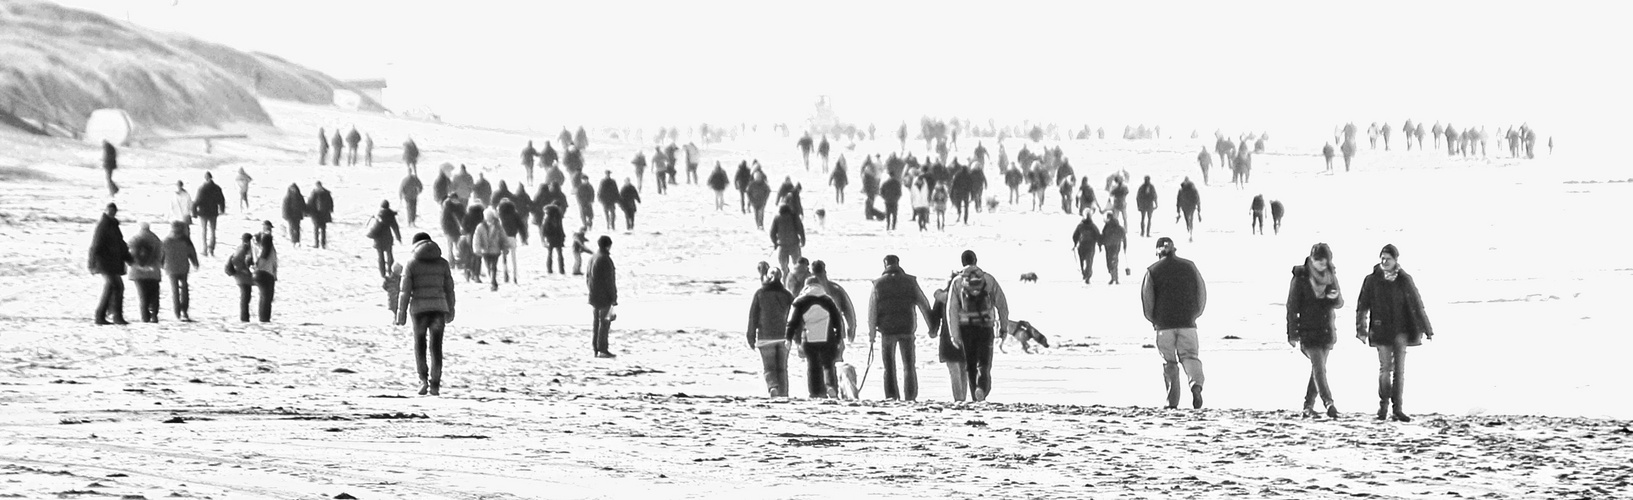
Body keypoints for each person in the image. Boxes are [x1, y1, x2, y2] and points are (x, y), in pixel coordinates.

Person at [1355, 244, 1434, 422]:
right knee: (1385, 369)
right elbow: (1362, 306)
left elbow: (1416, 304)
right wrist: (1361, 329)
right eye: (1382, 258)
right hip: (1380, 329)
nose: (1384, 261)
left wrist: (1427, 328)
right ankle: (1383, 407)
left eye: (1388, 258)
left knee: (1399, 371)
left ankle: (1397, 408)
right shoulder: (1371, 280)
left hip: (1401, 330)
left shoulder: (1404, 280)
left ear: (1395, 260)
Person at [1141, 237, 1208, 409]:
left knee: (1169, 362)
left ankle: (1172, 402)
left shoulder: (1152, 271)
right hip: (1188, 323)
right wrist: (1195, 314)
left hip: (1164, 325)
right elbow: (1201, 293)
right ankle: (1196, 386)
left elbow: (1147, 300)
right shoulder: (1190, 266)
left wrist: (1153, 319)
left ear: (1158, 252)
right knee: (1190, 357)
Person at [1288, 243, 1344, 419]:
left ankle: (1307, 406)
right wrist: (1292, 333)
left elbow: (1340, 302)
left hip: (1326, 330)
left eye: (1324, 261)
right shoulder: (1301, 277)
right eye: (1318, 260)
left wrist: (1332, 299)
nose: (1321, 264)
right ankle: (1329, 403)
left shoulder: (1331, 276)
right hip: (1307, 331)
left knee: (1317, 370)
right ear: (1311, 259)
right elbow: (1292, 306)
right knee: (1319, 368)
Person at [397, 233, 457, 396]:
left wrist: (400, 313)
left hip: (419, 310)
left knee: (420, 345)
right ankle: (435, 384)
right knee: (436, 347)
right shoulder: (443, 263)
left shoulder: (411, 263)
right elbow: (449, 289)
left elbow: (405, 291)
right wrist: (451, 309)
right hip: (439, 308)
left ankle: (423, 380)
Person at [945, 250, 1008, 402]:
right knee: (984, 363)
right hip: (986, 326)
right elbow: (1002, 304)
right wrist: (1003, 327)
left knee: (971, 364)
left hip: (966, 328)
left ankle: (975, 397)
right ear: (976, 260)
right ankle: (981, 388)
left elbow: (951, 310)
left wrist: (954, 335)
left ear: (962, 262)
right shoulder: (988, 279)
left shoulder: (958, 281)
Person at [868, 255, 933, 401]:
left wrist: (872, 334)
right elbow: (924, 304)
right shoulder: (910, 282)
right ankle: (910, 396)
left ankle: (891, 396)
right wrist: (931, 326)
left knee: (889, 367)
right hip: (907, 328)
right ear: (898, 263)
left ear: (885, 265)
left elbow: (872, 311)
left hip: (887, 330)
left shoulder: (878, 284)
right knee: (909, 365)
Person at [786, 276, 845, 399]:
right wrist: (839, 338)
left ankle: (815, 393)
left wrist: (788, 338)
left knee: (812, 366)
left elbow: (792, 322)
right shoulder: (828, 300)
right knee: (828, 365)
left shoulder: (799, 302)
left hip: (808, 339)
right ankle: (830, 387)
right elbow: (837, 321)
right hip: (827, 339)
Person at [747, 265, 794, 397]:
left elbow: (753, 316)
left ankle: (773, 387)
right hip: (783, 337)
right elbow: (795, 316)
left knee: (769, 368)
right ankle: (784, 394)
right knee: (782, 369)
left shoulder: (760, 293)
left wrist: (751, 337)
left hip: (765, 337)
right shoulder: (787, 295)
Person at [88, 203, 131, 325]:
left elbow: (120, 244)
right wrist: (91, 263)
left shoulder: (113, 225)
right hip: (104, 263)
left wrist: (129, 258)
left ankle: (109, 316)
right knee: (116, 286)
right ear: (106, 211)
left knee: (114, 287)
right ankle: (108, 316)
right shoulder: (103, 225)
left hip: (112, 262)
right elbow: (95, 245)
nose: (112, 213)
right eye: (110, 211)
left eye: (114, 211)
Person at [927, 285, 966, 401]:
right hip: (967, 337)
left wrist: (933, 330)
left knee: (954, 370)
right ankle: (962, 399)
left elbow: (935, 318)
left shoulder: (942, 298)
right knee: (964, 370)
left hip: (947, 337)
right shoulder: (970, 296)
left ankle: (959, 399)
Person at [586, 235, 618, 358]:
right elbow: (609, 281)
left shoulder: (593, 258)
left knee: (596, 323)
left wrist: (591, 290)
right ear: (607, 245)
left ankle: (595, 347)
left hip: (593, 295)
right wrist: (613, 298)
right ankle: (603, 349)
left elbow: (588, 278)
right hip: (604, 296)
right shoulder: (605, 259)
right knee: (605, 323)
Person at [160, 221, 198, 322]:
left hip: (170, 268)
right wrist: (195, 263)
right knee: (184, 288)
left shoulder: (165, 241)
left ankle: (177, 313)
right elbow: (192, 253)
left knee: (175, 290)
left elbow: (161, 255)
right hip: (183, 267)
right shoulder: (185, 240)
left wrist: (161, 265)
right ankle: (184, 311)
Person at [127, 222, 163, 323]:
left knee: (142, 295)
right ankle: (154, 315)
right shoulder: (155, 239)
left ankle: (144, 317)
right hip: (153, 272)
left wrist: (132, 265)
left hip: (137, 272)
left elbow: (127, 254)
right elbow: (160, 255)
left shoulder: (134, 239)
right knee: (154, 294)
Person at [472, 207, 509, 291]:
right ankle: (492, 280)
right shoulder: (480, 227)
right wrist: (477, 249)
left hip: (495, 250)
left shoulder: (498, 226)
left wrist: (505, 247)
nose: (488, 218)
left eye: (490, 216)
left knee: (493, 267)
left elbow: (503, 237)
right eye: (487, 216)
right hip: (485, 251)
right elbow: (476, 238)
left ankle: (493, 282)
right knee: (488, 267)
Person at [193, 172, 226, 256]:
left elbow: (197, 201)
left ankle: (204, 250)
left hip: (203, 213)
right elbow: (221, 200)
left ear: (205, 178)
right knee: (213, 231)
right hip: (213, 212)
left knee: (204, 231)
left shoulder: (202, 188)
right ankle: (211, 249)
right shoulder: (217, 188)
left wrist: (194, 213)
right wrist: (222, 210)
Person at [226, 233, 256, 322]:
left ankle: (245, 317)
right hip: (242, 276)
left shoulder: (241, 248)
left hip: (241, 276)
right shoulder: (244, 248)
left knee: (246, 296)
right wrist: (244, 270)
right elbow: (236, 260)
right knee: (245, 297)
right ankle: (244, 318)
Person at [370, 200, 403, 278]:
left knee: (380, 257)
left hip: (378, 238)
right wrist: (398, 238)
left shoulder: (377, 214)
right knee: (389, 255)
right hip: (388, 237)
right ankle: (390, 271)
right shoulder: (390, 215)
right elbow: (395, 227)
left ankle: (382, 274)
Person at [769, 204, 805, 275]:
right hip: (794, 245)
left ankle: (786, 282)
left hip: (782, 245)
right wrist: (803, 240)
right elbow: (800, 230)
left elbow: (772, 233)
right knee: (798, 266)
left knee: (783, 269)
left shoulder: (777, 218)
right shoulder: (794, 216)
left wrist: (775, 243)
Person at [252, 231, 278, 322]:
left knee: (263, 297)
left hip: (258, 274)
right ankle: (264, 318)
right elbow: (266, 259)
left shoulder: (257, 247)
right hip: (266, 273)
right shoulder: (267, 248)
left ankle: (263, 318)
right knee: (267, 298)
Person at [1071, 212, 1102, 284]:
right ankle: (1088, 275)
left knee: (1082, 261)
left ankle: (1084, 274)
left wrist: (1075, 244)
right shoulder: (1093, 226)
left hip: (1082, 245)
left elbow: (1075, 235)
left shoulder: (1080, 225)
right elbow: (1098, 235)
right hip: (1090, 246)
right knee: (1089, 262)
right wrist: (1099, 245)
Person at [306, 181, 335, 249]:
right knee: (320, 229)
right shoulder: (325, 193)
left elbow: (310, 203)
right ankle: (321, 244)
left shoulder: (315, 193)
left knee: (319, 229)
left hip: (319, 214)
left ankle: (319, 244)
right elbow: (330, 203)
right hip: (320, 214)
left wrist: (308, 212)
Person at [1100, 212, 1126, 284]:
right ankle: (1115, 278)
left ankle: (1113, 277)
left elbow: (1102, 235)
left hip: (1108, 246)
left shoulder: (1107, 226)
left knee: (1109, 261)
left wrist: (1100, 244)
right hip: (1116, 245)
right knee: (1115, 260)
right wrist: (1125, 246)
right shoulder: (1118, 226)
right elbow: (1123, 236)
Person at [1175, 178, 1202, 242]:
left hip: (1184, 207)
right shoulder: (1193, 189)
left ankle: (1188, 229)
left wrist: (1178, 210)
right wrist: (1198, 209)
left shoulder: (1181, 190)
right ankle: (1190, 231)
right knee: (1191, 218)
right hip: (1192, 206)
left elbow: (1178, 200)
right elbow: (1197, 199)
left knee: (1187, 219)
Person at [542, 205, 566, 274]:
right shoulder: (558, 218)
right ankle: (561, 270)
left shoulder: (547, 218)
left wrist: (544, 237)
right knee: (560, 254)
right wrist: (563, 236)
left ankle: (549, 269)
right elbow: (561, 228)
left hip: (550, 238)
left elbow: (544, 229)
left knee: (550, 254)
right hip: (558, 237)